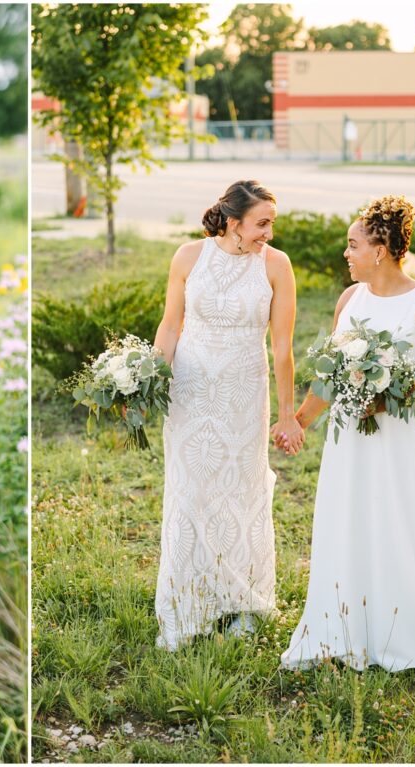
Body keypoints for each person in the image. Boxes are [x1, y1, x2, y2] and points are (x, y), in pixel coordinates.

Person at [279, 195, 415, 670]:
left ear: (379, 250)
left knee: (398, 520)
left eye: (353, 244)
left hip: (404, 440)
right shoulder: (349, 299)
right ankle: (349, 621)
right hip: (351, 441)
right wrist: (299, 421)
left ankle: (406, 623)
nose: (346, 253)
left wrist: (389, 398)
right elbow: (331, 375)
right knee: (352, 517)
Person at [152, 179, 302, 651]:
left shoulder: (276, 267)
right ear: (233, 223)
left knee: (240, 490)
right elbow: (171, 324)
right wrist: (147, 383)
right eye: (262, 224)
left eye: (271, 224)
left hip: (242, 394)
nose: (269, 234)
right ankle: (187, 601)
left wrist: (287, 415)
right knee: (191, 489)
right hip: (190, 394)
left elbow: (282, 347)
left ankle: (244, 602)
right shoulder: (187, 257)